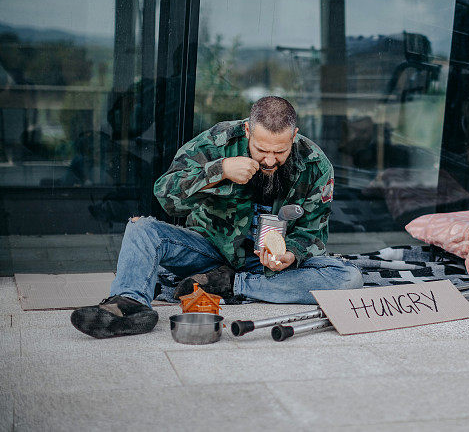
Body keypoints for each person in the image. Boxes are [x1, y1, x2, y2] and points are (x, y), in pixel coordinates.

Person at [71, 96, 363, 338]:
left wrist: (292, 254)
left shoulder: (315, 163)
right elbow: (165, 194)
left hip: (270, 267)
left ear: (294, 137)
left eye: (280, 151)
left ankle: (232, 284)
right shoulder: (218, 141)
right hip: (209, 249)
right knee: (142, 229)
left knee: (348, 277)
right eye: (261, 150)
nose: (270, 160)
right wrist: (219, 170)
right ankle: (129, 304)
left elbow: (313, 233)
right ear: (248, 131)